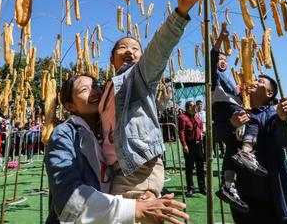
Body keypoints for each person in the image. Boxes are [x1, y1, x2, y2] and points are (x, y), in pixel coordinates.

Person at [99, 0, 202, 199]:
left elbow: (159, 49)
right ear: (111, 59)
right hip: (115, 170)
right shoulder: (107, 89)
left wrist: (180, 14)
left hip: (139, 168)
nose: (129, 51)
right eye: (122, 47)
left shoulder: (141, 76)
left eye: (135, 48)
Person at [45, 74, 189, 224]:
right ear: (70, 106)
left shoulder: (107, 134)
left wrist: (141, 195)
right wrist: (134, 209)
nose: (94, 91)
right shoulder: (65, 133)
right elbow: (68, 197)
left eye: (95, 85)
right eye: (84, 90)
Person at [228, 75, 287, 224]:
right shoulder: (235, 111)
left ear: (269, 94)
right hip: (242, 192)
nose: (254, 81)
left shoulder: (274, 115)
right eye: (254, 79)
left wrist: (283, 121)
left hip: (271, 192)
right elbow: (217, 136)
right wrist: (231, 125)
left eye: (260, 81)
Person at [210, 23, 266, 212]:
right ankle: (247, 151)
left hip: (231, 108)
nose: (223, 61)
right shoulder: (214, 76)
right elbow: (212, 57)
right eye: (220, 58)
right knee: (253, 122)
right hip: (224, 109)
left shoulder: (231, 80)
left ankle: (228, 185)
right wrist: (220, 40)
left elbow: (241, 95)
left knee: (232, 148)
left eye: (225, 59)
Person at [178, 100, 205, 197]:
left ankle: (202, 187)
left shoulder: (196, 117)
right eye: (193, 106)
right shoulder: (182, 118)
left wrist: (201, 133)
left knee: (200, 167)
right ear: (188, 107)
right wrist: (184, 145)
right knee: (189, 168)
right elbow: (181, 132)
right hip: (189, 145)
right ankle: (190, 188)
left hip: (199, 144)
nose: (195, 108)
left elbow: (201, 127)